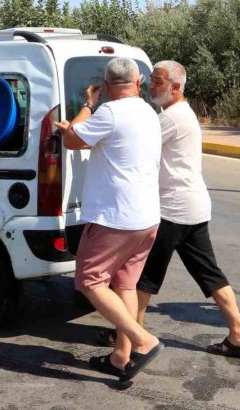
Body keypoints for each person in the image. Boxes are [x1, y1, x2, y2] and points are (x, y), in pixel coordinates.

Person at [131, 60, 240, 358]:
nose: (151, 86)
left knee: (145, 275)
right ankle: (239, 332)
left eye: (158, 81)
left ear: (176, 87)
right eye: (151, 80)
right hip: (192, 207)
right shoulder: (179, 113)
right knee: (210, 274)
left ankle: (131, 335)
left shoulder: (172, 118)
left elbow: (137, 145)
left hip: (172, 210)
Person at [56, 57, 163, 382]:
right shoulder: (149, 112)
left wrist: (88, 106)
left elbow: (71, 139)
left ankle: (143, 340)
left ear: (105, 86)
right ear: (139, 82)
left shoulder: (109, 113)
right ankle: (121, 356)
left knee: (90, 281)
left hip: (115, 219)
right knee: (124, 284)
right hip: (146, 218)